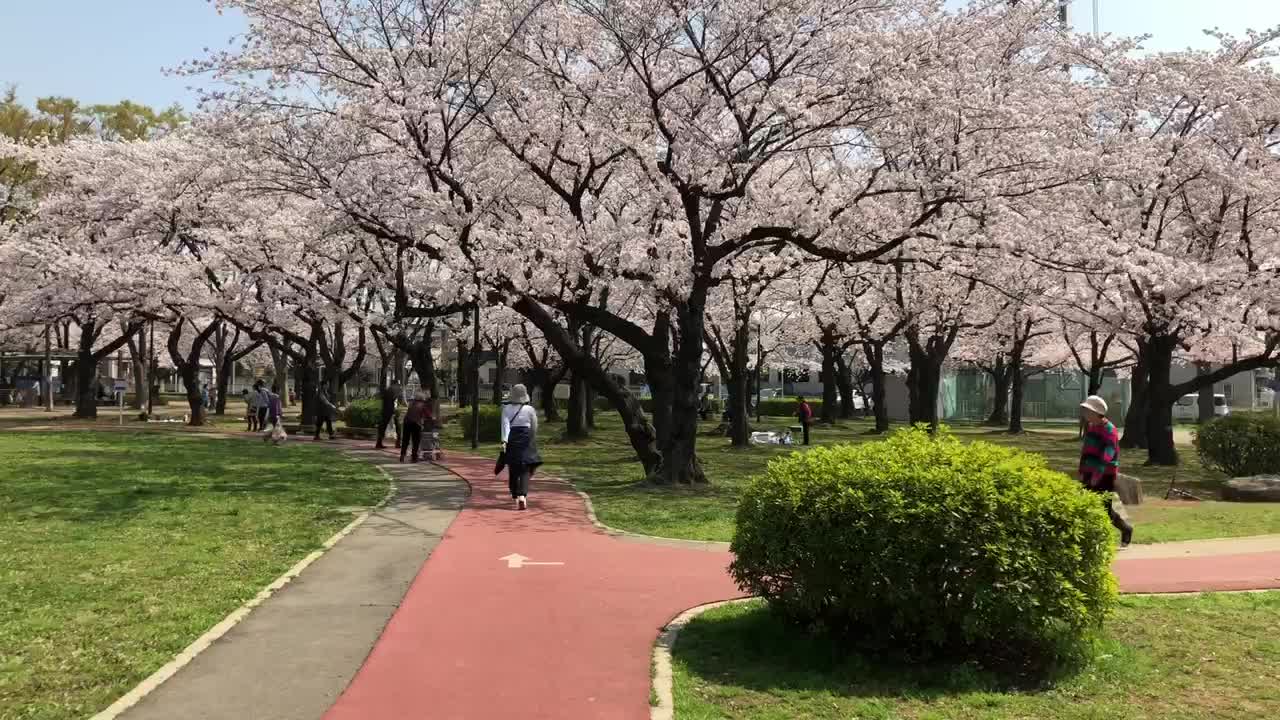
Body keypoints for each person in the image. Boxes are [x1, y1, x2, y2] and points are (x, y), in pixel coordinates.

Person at [1079, 395, 1134, 547]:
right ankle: (1090, 538)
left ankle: (1126, 529)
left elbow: (1108, 454)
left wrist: (1098, 474)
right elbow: (1086, 451)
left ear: (1096, 412)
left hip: (1105, 474)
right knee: (1087, 505)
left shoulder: (1109, 430)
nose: (1084, 413)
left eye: (1087, 410)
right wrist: (1082, 471)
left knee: (1104, 509)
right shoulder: (1091, 427)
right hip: (1089, 472)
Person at [501, 383, 541, 510]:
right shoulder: (530, 409)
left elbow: (505, 426)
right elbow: (534, 426)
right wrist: (531, 438)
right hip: (526, 438)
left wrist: (504, 441)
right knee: (525, 468)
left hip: (512, 439)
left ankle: (514, 495)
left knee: (513, 467)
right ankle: (522, 496)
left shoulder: (506, 409)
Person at [401, 391, 430, 462]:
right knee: (416, 441)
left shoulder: (411, 403)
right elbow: (428, 415)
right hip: (416, 423)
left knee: (405, 439)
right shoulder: (423, 404)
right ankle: (414, 457)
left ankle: (402, 455)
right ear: (422, 398)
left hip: (407, 422)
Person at [375, 381, 402, 450]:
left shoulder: (388, 390)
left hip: (387, 411)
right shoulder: (391, 391)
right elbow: (393, 399)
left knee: (383, 426)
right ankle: (398, 443)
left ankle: (379, 442)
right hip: (390, 411)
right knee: (397, 426)